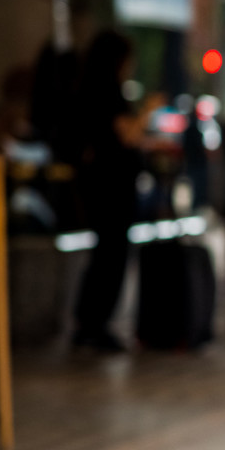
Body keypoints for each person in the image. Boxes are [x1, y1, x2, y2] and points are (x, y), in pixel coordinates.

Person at [71, 30, 159, 352]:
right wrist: (148, 110)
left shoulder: (88, 88)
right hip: (111, 186)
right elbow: (128, 135)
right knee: (111, 255)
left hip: (98, 183)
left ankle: (88, 322)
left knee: (103, 254)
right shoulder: (108, 91)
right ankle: (95, 324)